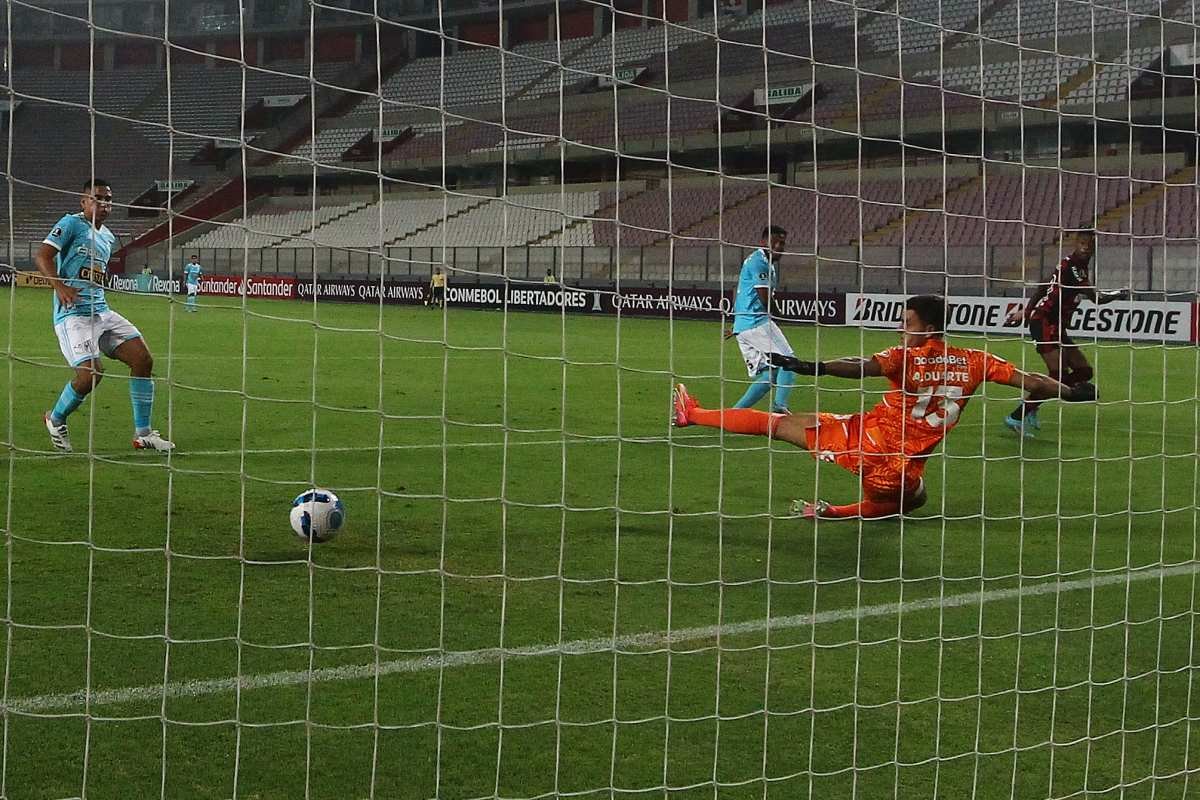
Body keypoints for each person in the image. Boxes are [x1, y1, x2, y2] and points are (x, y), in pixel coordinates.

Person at [673, 295, 1093, 519]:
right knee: (914, 501)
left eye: (907, 323)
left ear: (928, 328)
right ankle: (832, 512)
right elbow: (1034, 381)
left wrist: (811, 366)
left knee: (774, 424)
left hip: (864, 437)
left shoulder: (903, 357)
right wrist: (1072, 393)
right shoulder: (976, 361)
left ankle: (692, 414)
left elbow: (860, 366)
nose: (901, 329)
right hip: (898, 470)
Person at [37, 178, 175, 453]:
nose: (104, 204)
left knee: (143, 360)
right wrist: (60, 286)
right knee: (91, 374)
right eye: (97, 198)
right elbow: (43, 256)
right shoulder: (71, 223)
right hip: (73, 315)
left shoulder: (108, 237)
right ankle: (55, 418)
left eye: (108, 199)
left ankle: (143, 434)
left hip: (101, 311)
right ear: (84, 201)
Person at [1004, 229, 1126, 437]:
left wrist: (1026, 309)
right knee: (1058, 373)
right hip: (1043, 322)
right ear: (1076, 244)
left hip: (1057, 326)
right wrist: (1119, 293)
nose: (1086, 247)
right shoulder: (1074, 269)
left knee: (1084, 371)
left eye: (1090, 244)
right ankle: (1017, 416)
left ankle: (1035, 400)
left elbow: (1043, 287)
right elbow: (1096, 298)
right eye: (1082, 243)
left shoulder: (1070, 265)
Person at [727, 225, 794, 413]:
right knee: (789, 362)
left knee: (771, 374)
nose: (780, 247)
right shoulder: (759, 262)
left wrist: (737, 324)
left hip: (745, 326)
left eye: (783, 243)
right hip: (756, 323)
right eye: (777, 242)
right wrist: (784, 316)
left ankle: (734, 414)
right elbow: (764, 297)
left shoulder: (765, 262)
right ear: (764, 242)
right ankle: (780, 406)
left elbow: (740, 291)